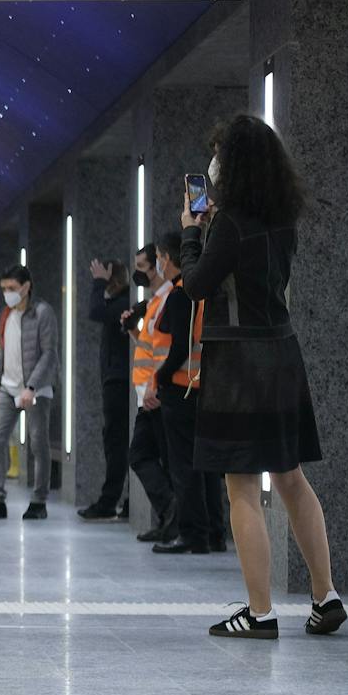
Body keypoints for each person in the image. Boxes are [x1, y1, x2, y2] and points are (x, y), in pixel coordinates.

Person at [181, 115, 343, 639]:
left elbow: (197, 285)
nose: (214, 163)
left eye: (219, 154)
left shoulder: (229, 223)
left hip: (238, 362)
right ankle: (325, 596)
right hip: (282, 352)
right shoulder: (283, 217)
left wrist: (191, 233)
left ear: (233, 164)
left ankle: (260, 611)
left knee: (242, 488)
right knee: (292, 478)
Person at [147, 232, 224, 555]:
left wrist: (160, 377)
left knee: (183, 467)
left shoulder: (180, 296)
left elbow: (179, 346)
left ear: (168, 258)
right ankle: (214, 532)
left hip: (180, 388)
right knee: (206, 466)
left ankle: (192, 534)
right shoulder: (202, 293)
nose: (158, 264)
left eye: (159, 258)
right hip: (202, 387)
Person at [0, 265, 58, 521]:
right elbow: (2, 351)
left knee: (38, 444)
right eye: (4, 289)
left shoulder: (42, 313)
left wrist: (32, 387)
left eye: (11, 288)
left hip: (36, 389)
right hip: (8, 388)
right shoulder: (7, 314)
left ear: (26, 286)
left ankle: (39, 501)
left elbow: (49, 353)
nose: (7, 293)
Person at [123, 244, 176, 543]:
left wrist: (156, 386)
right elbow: (149, 347)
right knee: (146, 455)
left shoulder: (167, 298)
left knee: (145, 455)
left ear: (159, 265)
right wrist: (133, 330)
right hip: (149, 393)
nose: (138, 274)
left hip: (157, 394)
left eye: (142, 267)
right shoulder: (154, 302)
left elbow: (165, 352)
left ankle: (172, 513)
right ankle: (169, 516)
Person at [78, 258, 132, 520]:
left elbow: (95, 311)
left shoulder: (124, 303)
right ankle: (121, 499)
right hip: (115, 379)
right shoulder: (120, 303)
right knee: (116, 442)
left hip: (119, 382)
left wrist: (98, 283)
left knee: (117, 443)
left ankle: (110, 500)